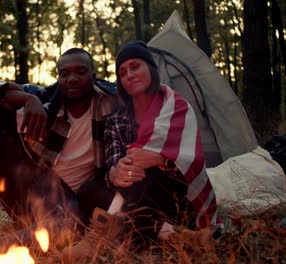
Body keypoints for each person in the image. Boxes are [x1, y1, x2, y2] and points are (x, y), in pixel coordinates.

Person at [0, 48, 119, 252]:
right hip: (35, 188)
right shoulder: (47, 98)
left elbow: (144, 94)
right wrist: (27, 99)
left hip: (70, 201)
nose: (72, 79)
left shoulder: (111, 100)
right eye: (64, 74)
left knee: (70, 227)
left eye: (80, 72)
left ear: (93, 74)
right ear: (59, 78)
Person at [63, 41, 218, 259]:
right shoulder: (117, 119)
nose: (129, 75)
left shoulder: (175, 107)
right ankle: (176, 236)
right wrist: (114, 173)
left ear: (150, 69)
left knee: (141, 171)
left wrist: (159, 159)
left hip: (173, 196)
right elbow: (114, 161)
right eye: (123, 72)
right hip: (136, 199)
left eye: (135, 66)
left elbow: (191, 163)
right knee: (90, 190)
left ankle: (97, 237)